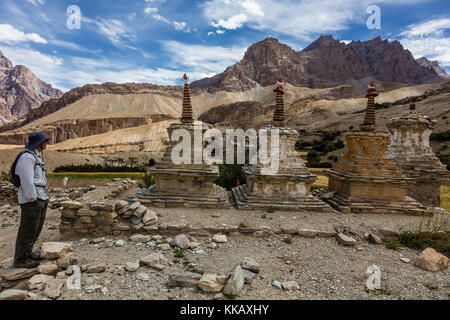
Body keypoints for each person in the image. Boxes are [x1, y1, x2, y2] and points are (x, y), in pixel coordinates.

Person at [13, 132, 51, 269]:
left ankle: (27, 253)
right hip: (32, 200)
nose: (46, 143)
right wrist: (32, 198)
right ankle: (20, 259)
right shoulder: (27, 158)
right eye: (44, 141)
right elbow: (27, 181)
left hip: (41, 197)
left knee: (36, 228)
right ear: (39, 143)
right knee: (27, 230)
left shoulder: (37, 156)